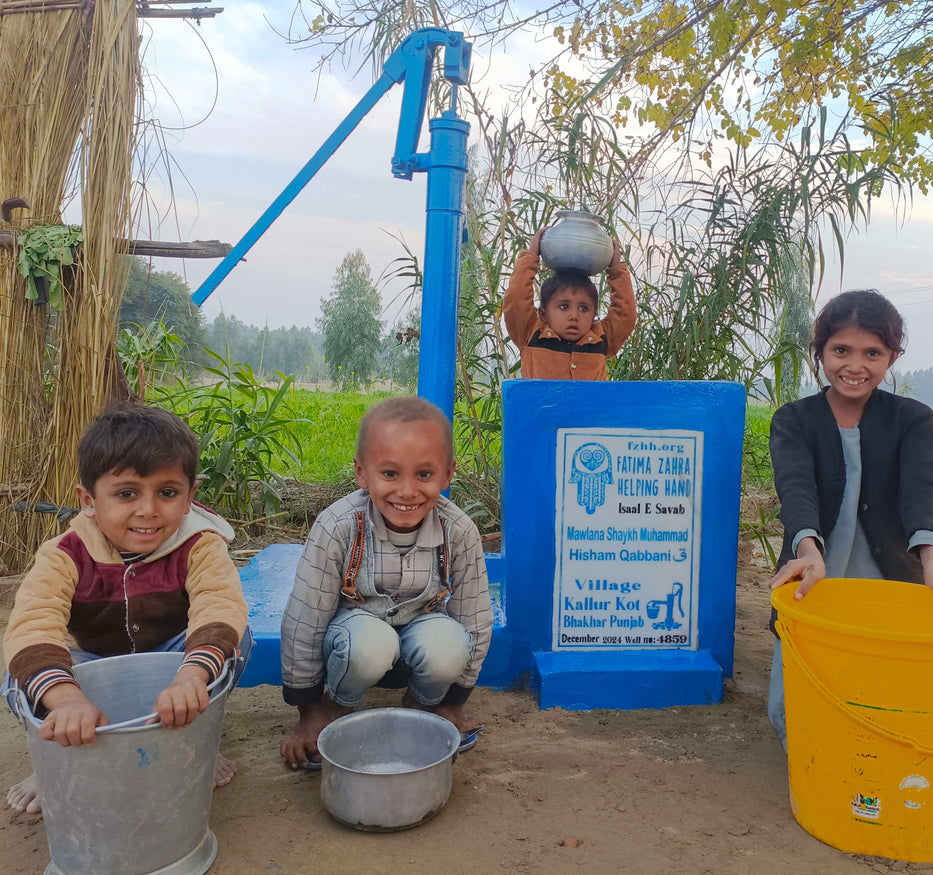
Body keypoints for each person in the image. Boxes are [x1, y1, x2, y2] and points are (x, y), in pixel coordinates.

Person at [3, 404, 250, 814]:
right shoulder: (64, 555)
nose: (148, 510)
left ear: (189, 498)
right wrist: (65, 699)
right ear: (88, 500)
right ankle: (54, 759)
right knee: (19, 671)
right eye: (126, 494)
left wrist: (191, 676)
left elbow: (217, 604)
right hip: (95, 671)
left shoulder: (200, 545)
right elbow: (34, 623)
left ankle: (196, 741)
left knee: (234, 636)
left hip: (173, 666)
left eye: (167, 493)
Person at [765, 289, 933, 749]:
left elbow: (922, 492)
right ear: (820, 352)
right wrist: (808, 550)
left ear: (892, 357)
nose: (855, 365)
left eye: (872, 353)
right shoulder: (794, 420)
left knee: (881, 694)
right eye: (841, 350)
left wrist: (932, 564)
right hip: (814, 575)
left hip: (888, 580)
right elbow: (796, 490)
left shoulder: (913, 419)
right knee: (808, 706)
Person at [279, 397, 493, 770]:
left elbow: (475, 616)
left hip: (420, 630)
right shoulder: (338, 526)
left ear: (447, 475)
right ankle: (336, 708)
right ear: (362, 473)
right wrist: (307, 708)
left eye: (424, 475)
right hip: (354, 637)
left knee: (449, 645)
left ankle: (423, 705)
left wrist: (454, 701)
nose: (407, 491)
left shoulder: (458, 531)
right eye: (390, 474)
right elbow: (305, 617)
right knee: (370, 645)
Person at [502, 227, 637, 380]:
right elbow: (516, 299)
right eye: (564, 307)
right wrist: (531, 256)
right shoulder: (531, 335)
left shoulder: (601, 340)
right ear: (543, 314)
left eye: (584, 309)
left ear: (594, 316)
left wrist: (616, 269)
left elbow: (625, 314)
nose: (574, 316)